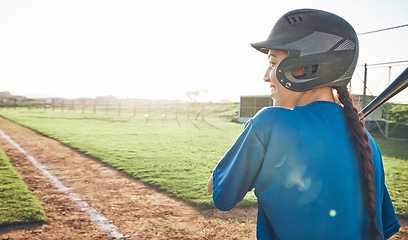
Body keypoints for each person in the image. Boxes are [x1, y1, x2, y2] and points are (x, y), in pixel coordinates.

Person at [207, 8, 400, 240]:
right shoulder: (367, 142)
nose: (266, 75)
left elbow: (218, 192)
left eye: (273, 62)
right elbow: (383, 226)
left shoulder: (270, 122)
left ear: (308, 67)